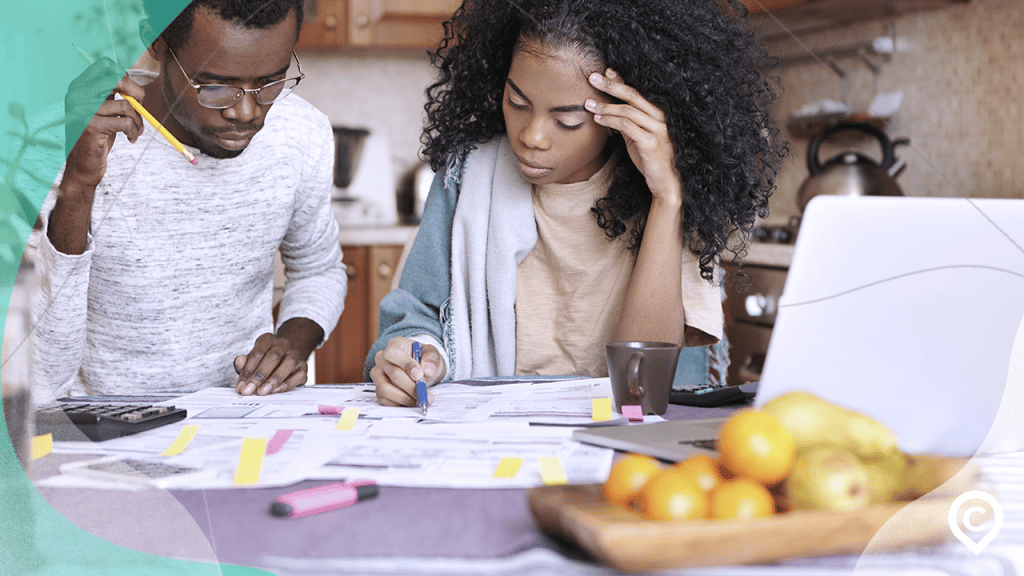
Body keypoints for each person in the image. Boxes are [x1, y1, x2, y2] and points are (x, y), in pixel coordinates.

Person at [366, 0, 784, 407]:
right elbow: (419, 313)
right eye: (516, 102)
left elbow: (642, 385)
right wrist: (421, 355)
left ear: (621, 113)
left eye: (567, 120)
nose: (532, 136)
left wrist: (668, 198)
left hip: (624, 434)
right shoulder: (467, 177)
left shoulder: (672, 192)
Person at [30, 0, 347, 400]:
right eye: (215, 86)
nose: (247, 113)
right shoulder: (62, 141)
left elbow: (319, 270)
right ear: (156, 42)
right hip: (100, 428)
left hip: (239, 418)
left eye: (270, 82)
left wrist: (291, 344)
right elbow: (39, 377)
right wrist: (78, 183)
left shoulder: (301, 132)